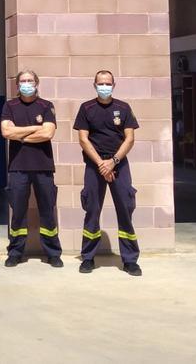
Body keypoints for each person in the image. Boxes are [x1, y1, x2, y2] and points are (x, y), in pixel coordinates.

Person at [74, 70, 142, 276]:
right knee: (92, 210)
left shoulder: (123, 108)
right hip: (95, 165)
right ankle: (88, 257)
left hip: (119, 164)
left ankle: (130, 260)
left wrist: (112, 162)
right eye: (101, 83)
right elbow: (83, 139)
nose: (104, 87)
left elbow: (129, 139)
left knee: (125, 209)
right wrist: (101, 164)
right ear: (94, 85)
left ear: (114, 85)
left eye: (108, 83)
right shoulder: (86, 108)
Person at [0, 70, 63, 268]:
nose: (26, 84)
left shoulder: (46, 106)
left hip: (43, 166)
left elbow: (48, 133)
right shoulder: (10, 105)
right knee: (18, 212)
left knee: (47, 211)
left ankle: (52, 253)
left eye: (30, 80)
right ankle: (16, 252)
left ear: (37, 83)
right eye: (23, 81)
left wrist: (20, 135)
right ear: (17, 85)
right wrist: (34, 128)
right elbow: (5, 131)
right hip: (18, 167)